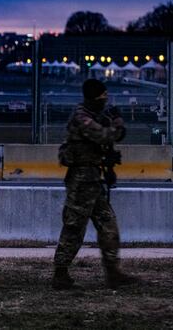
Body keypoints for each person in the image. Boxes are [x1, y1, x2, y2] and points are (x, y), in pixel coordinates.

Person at [52, 79, 136, 290]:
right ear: (93, 97)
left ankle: (113, 272)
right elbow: (105, 135)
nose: (105, 99)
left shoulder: (95, 115)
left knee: (108, 225)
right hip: (81, 181)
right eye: (102, 96)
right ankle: (60, 273)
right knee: (74, 228)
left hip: (93, 180)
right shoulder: (82, 117)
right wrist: (117, 122)